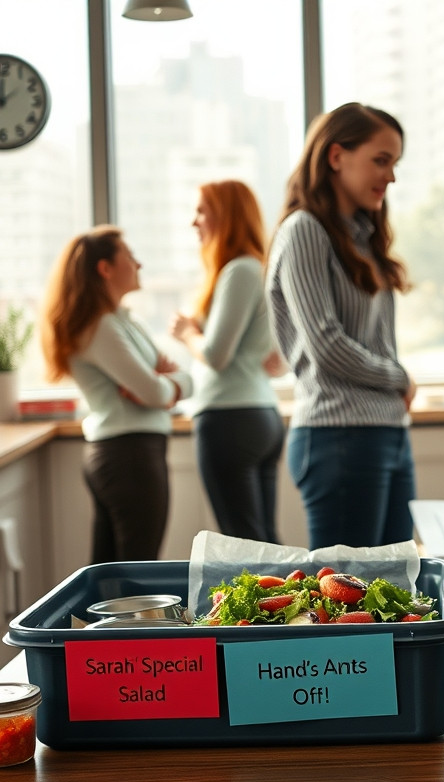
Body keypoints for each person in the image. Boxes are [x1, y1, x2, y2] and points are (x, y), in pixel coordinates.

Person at [267, 102, 417, 549]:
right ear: (336, 157)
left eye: (394, 163)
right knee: (349, 605)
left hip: (385, 432)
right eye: (381, 159)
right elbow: (326, 345)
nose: (390, 176)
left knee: (395, 591)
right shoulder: (304, 230)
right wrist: (399, 377)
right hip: (340, 437)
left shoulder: (362, 238)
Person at [40, 226, 193, 563]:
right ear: (105, 269)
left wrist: (169, 385)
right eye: (129, 257)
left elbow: (172, 378)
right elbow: (154, 390)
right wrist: (164, 386)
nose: (138, 264)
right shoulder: (102, 328)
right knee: (137, 576)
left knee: (117, 575)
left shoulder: (123, 322)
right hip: (129, 457)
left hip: (131, 454)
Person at [170, 180, 288, 543]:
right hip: (260, 415)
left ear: (227, 217)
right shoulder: (258, 270)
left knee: (243, 545)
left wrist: (187, 331)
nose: (194, 222)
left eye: (202, 211)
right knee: (263, 542)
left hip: (229, 418)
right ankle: (297, 601)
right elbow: (277, 358)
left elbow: (216, 356)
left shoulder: (239, 271)